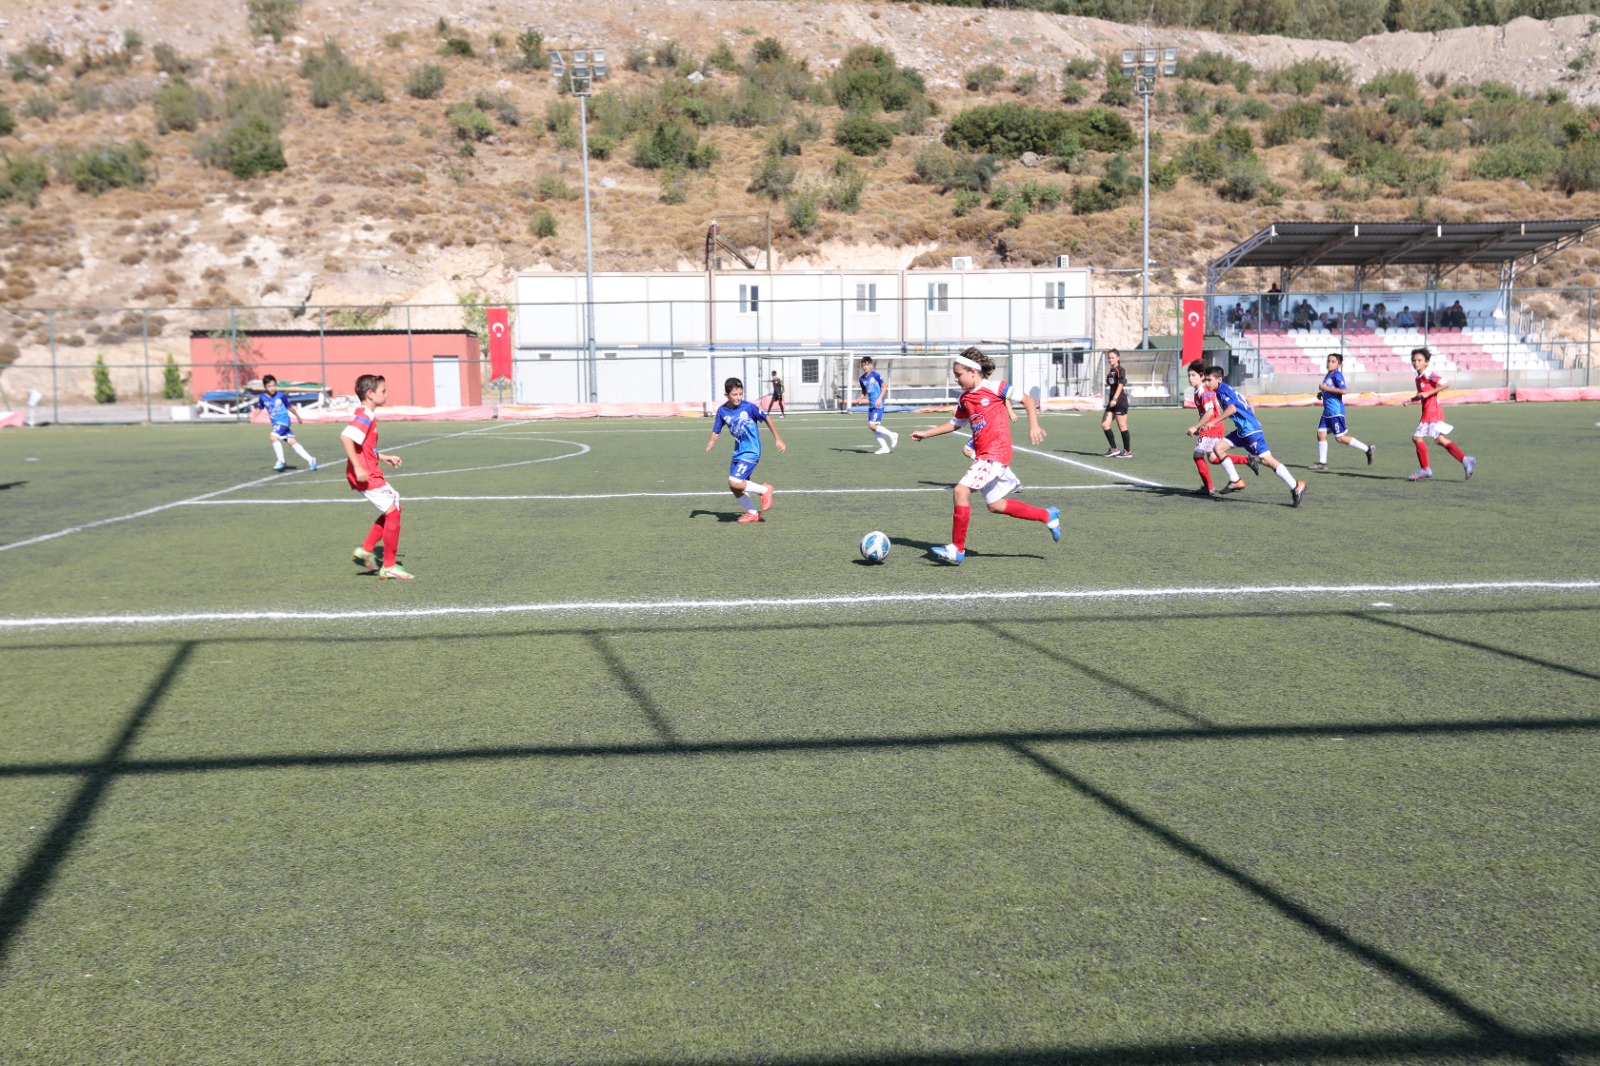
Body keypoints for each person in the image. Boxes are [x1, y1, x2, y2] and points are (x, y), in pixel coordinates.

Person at [910, 346, 1059, 565]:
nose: (956, 379)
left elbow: (1027, 399)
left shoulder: (996, 388)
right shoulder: (964, 400)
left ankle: (957, 549)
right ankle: (1048, 516)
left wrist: (1033, 425)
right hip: (985, 455)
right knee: (995, 505)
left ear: (972, 371)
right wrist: (926, 434)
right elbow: (954, 424)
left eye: (958, 374)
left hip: (995, 454)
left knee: (960, 491)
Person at [1196, 365, 1306, 507]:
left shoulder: (1222, 391)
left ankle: (1296, 486)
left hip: (1250, 432)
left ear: (1219, 379)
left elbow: (1232, 408)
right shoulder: (1226, 389)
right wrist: (1252, 417)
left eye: (1209, 380)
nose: (1206, 383)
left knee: (1267, 461)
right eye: (1205, 380)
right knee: (1219, 448)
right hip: (1243, 431)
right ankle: (1236, 480)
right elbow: (1249, 400)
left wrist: (1213, 422)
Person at [341, 374, 411, 580]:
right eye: (383, 391)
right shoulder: (365, 416)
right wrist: (358, 467)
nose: (386, 394)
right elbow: (346, 437)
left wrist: (384, 457)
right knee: (393, 512)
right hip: (365, 474)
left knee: (394, 505)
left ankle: (367, 549)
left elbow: (364, 447)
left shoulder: (366, 414)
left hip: (369, 470)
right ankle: (388, 565)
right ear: (370, 394)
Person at [706, 376, 786, 523]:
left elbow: (766, 417)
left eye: (740, 394)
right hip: (738, 453)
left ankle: (765, 490)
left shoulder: (749, 407)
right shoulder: (722, 411)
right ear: (727, 395)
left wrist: (777, 438)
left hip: (751, 451)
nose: (738, 398)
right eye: (734, 395)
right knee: (736, 488)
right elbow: (717, 428)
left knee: (734, 481)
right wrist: (712, 441)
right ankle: (753, 513)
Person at [1405, 348, 1475, 482]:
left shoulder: (1428, 374)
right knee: (1439, 440)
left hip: (1432, 412)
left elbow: (1445, 384)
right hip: (1429, 411)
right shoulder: (1418, 378)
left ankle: (1425, 469)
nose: (1416, 363)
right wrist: (1411, 400)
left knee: (1417, 438)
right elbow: (1423, 395)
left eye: (1419, 360)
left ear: (1426, 362)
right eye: (1414, 360)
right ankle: (1466, 461)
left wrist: (1428, 394)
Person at [1309, 353, 1374, 471]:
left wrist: (1326, 389)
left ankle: (1367, 449)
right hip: (1327, 411)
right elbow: (1328, 390)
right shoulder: (1328, 375)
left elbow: (1343, 391)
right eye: (1328, 361)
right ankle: (1323, 463)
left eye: (1333, 361)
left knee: (1340, 438)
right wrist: (1321, 394)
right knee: (1320, 434)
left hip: (1335, 411)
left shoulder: (1337, 376)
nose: (1329, 363)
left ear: (1339, 364)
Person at [1184, 361, 1232, 496]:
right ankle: (1247, 460)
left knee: (1198, 456)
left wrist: (1196, 426)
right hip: (1212, 426)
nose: (1190, 378)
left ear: (1202, 376)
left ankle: (1209, 488)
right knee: (1213, 457)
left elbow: (1210, 412)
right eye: (1189, 375)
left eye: (1193, 375)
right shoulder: (1199, 391)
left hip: (1212, 427)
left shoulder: (1204, 392)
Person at [255, 374, 316, 472]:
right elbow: (259, 407)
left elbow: (289, 406)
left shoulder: (281, 395)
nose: (272, 388)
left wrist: (297, 416)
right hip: (276, 423)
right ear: (265, 387)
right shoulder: (262, 397)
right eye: (269, 386)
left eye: (274, 385)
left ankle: (281, 461)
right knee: (292, 442)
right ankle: (311, 459)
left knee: (273, 437)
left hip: (284, 420)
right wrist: (254, 416)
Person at [856, 356, 898, 454]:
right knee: (874, 429)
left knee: (872, 425)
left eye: (867, 365)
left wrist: (879, 398)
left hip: (878, 404)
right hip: (871, 405)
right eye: (863, 365)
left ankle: (892, 435)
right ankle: (885, 448)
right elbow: (864, 390)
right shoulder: (861, 379)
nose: (865, 367)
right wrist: (861, 397)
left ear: (871, 365)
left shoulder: (875, 375)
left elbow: (884, 387)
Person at [1100, 348, 1131, 458]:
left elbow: (1121, 384)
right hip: (1112, 402)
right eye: (1109, 357)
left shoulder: (1120, 370)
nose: (1110, 359)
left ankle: (1127, 451)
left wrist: (1115, 399)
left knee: (1122, 426)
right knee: (1105, 424)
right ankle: (1114, 449)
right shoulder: (1111, 371)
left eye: (1113, 357)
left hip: (1119, 401)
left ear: (1118, 358)